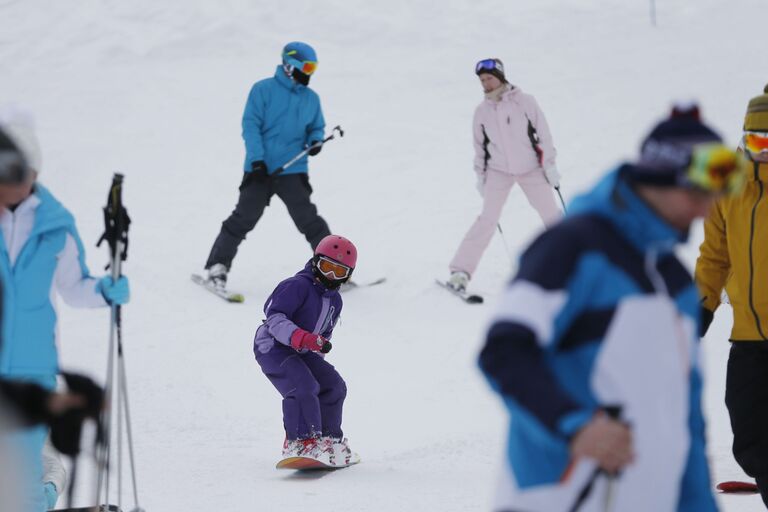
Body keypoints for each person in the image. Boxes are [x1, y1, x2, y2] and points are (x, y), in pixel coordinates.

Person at [478, 104, 747, 511]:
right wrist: (575, 424)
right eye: (696, 194)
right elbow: (504, 351)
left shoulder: (674, 280)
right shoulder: (572, 249)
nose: (705, 210)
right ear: (657, 181)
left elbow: (686, 422)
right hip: (561, 498)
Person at [0, 106, 128, 512]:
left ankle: (44, 492)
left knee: (18, 482)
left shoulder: (56, 225)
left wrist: (106, 291)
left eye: (16, 171)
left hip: (31, 367)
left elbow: (74, 289)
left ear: (33, 172)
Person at [204, 41, 332, 291]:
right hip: (260, 170)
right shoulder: (262, 90)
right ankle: (217, 267)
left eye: (314, 67)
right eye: (307, 66)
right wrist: (257, 161)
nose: (310, 72)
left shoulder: (311, 99)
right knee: (243, 218)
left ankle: (332, 268)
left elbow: (316, 127)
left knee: (309, 220)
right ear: (289, 65)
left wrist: (316, 141)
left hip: (293, 171)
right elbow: (250, 127)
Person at [695, 84, 768, 506]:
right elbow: (714, 257)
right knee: (750, 428)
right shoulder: (728, 186)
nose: (764, 151)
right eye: (756, 141)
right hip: (749, 334)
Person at [446, 58, 562, 292]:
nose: (486, 84)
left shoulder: (525, 102)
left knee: (552, 216)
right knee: (487, 219)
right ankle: (460, 272)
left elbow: (544, 134)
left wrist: (549, 165)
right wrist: (481, 176)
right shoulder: (482, 112)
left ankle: (577, 264)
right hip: (498, 171)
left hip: (531, 168)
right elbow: (480, 147)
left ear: (500, 76)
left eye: (489, 78)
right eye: (482, 80)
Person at [253, 235, 358, 466]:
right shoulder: (296, 286)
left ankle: (328, 439)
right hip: (272, 346)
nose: (330, 275)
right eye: (327, 267)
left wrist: (315, 350)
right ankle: (301, 441)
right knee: (303, 386)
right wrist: (302, 337)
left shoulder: (335, 301)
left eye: (338, 272)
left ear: (347, 276)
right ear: (315, 261)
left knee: (332, 384)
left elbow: (324, 334)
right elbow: (274, 317)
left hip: (301, 350)